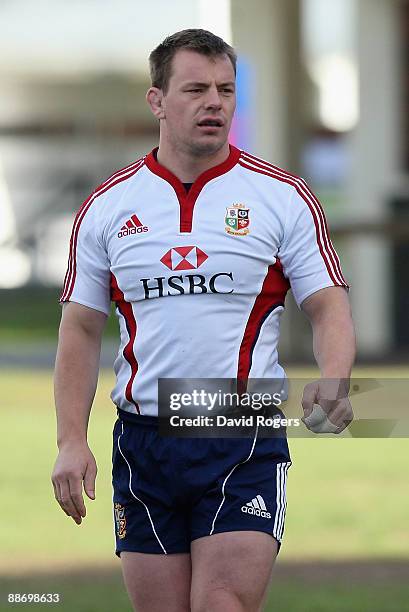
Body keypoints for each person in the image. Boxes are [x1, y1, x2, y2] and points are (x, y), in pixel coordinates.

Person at [52, 29, 355, 612]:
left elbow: (328, 305)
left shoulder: (283, 197)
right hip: (142, 439)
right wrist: (71, 441)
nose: (214, 102)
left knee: (222, 603)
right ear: (157, 100)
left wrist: (336, 373)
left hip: (239, 431)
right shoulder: (108, 206)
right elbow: (80, 330)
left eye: (225, 89)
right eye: (195, 89)